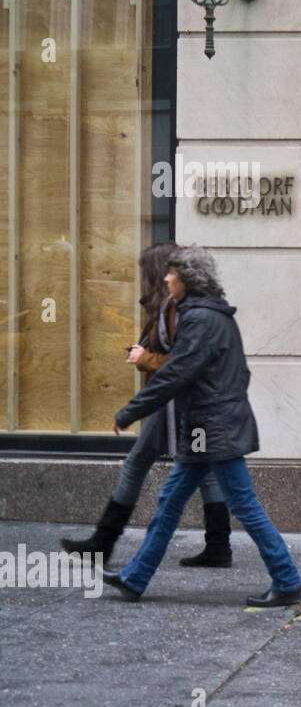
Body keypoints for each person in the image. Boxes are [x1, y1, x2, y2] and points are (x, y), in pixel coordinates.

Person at [101, 245, 301, 606]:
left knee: (243, 505)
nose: (166, 279)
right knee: (171, 500)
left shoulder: (201, 320)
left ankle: (287, 581)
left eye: (172, 274)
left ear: (187, 279)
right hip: (203, 429)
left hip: (214, 430)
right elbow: (239, 373)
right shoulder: (210, 315)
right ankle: (135, 578)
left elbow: (176, 375)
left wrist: (130, 412)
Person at [61, 242, 231, 567]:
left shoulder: (176, 308)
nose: (164, 277)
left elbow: (186, 362)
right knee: (204, 470)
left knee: (138, 464)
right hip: (182, 402)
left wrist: (145, 358)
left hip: (177, 402)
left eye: (164, 272)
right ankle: (218, 546)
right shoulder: (168, 306)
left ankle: (104, 544)